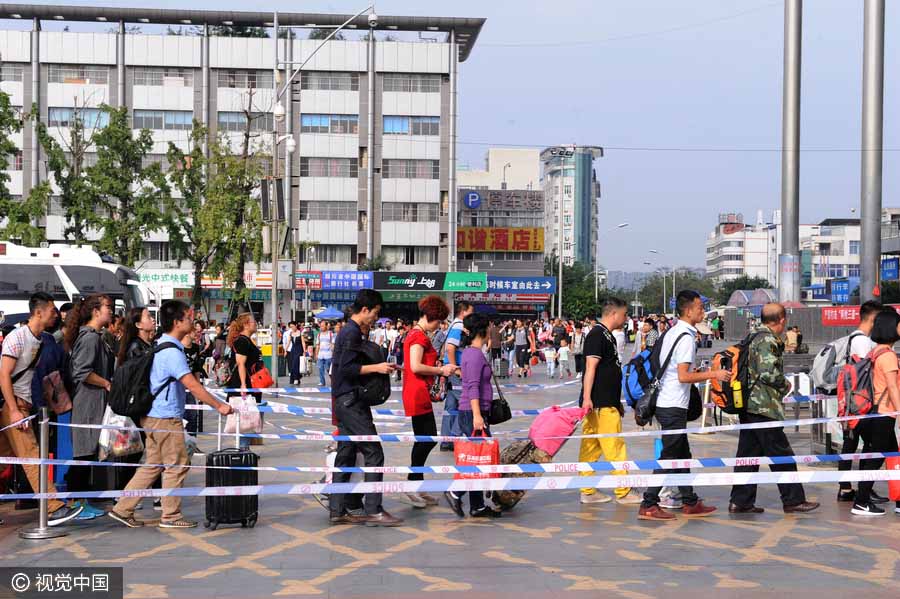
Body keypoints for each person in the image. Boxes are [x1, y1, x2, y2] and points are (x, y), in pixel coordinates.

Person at [109, 300, 233, 529]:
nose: (192, 322)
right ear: (177, 322)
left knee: (153, 464)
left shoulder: (163, 345)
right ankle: (171, 516)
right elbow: (192, 386)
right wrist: (220, 406)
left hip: (153, 416)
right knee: (177, 463)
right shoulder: (171, 352)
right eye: (188, 318)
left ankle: (122, 508)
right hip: (165, 417)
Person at [638, 290, 731, 521]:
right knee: (670, 456)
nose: (703, 311)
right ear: (688, 311)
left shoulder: (672, 332)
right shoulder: (687, 337)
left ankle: (690, 501)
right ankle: (648, 503)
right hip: (672, 405)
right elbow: (682, 377)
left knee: (682, 454)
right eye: (700, 308)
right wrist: (714, 374)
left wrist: (696, 373)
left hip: (667, 402)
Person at [0, 292, 85, 526]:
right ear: (38, 312)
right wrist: (14, 410)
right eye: (52, 310)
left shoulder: (44, 339)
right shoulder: (17, 338)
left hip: (24, 406)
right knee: (32, 457)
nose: (55, 314)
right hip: (13, 407)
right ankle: (53, 507)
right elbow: (4, 375)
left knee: (5, 460)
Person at [728, 303, 820, 516]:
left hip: (749, 405)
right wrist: (786, 385)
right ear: (781, 320)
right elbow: (768, 373)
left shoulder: (752, 336)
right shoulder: (767, 339)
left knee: (748, 457)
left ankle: (740, 501)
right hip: (764, 406)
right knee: (781, 455)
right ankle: (793, 500)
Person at [328, 290, 403, 527]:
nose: (375, 318)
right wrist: (377, 368)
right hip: (351, 402)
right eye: (375, 313)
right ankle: (373, 509)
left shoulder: (349, 332)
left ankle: (337, 510)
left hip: (345, 401)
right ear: (365, 310)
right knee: (374, 452)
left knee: (346, 454)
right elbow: (346, 369)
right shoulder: (350, 332)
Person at [577, 298, 642, 506]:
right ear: (613, 314)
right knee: (614, 445)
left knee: (592, 446)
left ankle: (587, 490)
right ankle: (623, 491)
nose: (625, 319)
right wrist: (587, 398)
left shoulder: (608, 336)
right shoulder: (597, 335)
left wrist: (617, 401)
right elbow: (590, 368)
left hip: (605, 401)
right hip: (599, 404)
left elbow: (608, 371)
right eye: (624, 315)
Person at [400, 295, 457, 509]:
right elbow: (415, 366)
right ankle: (412, 486)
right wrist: (440, 370)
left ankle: (417, 485)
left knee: (426, 439)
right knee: (425, 439)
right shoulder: (418, 337)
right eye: (438, 321)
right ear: (431, 317)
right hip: (417, 392)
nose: (438, 326)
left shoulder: (418, 334)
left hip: (419, 391)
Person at [64, 294, 116, 520]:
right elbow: (81, 372)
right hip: (87, 404)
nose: (111, 311)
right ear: (96, 311)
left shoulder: (97, 336)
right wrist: (106, 383)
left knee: (88, 454)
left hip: (95, 404)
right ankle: (77, 504)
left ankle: (83, 501)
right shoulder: (89, 338)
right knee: (83, 455)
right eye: (108, 307)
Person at [444, 312, 502, 518]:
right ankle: (455, 491)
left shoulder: (472, 353)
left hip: (474, 410)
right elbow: (473, 386)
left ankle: (477, 505)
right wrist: (478, 415)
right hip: (473, 411)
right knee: (478, 459)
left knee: (479, 457)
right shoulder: (475, 355)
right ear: (483, 330)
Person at [848, 308, 900, 516]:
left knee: (890, 456)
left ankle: (896, 501)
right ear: (891, 327)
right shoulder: (887, 355)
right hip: (883, 414)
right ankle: (861, 501)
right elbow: (892, 387)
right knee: (877, 458)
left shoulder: (875, 351)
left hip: (873, 413)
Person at [838, 300, 888, 503]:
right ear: (873, 319)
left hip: (854, 401)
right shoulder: (863, 342)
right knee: (869, 445)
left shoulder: (854, 338)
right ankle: (856, 489)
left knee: (852, 444)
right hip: (861, 402)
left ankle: (851, 488)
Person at [225, 313, 264, 448]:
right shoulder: (242, 341)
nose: (256, 324)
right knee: (244, 418)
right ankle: (242, 450)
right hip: (243, 384)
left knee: (249, 417)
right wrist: (243, 385)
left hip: (252, 384)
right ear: (246, 324)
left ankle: (245, 448)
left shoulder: (247, 340)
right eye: (254, 321)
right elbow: (240, 363)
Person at [439, 301, 473, 452]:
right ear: (463, 311)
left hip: (450, 370)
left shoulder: (455, 325)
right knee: (466, 405)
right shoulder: (459, 326)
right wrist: (456, 369)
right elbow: (450, 348)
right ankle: (455, 435)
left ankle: (447, 440)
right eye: (471, 312)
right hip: (456, 371)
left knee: (451, 406)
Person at [316, 321, 335, 387]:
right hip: (320, 355)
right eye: (320, 326)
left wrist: (333, 353)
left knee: (329, 369)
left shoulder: (330, 334)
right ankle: (322, 381)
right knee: (320, 368)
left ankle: (333, 381)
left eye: (323, 326)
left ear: (326, 326)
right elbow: (318, 345)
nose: (321, 327)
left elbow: (332, 344)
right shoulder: (319, 335)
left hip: (328, 354)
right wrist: (316, 354)